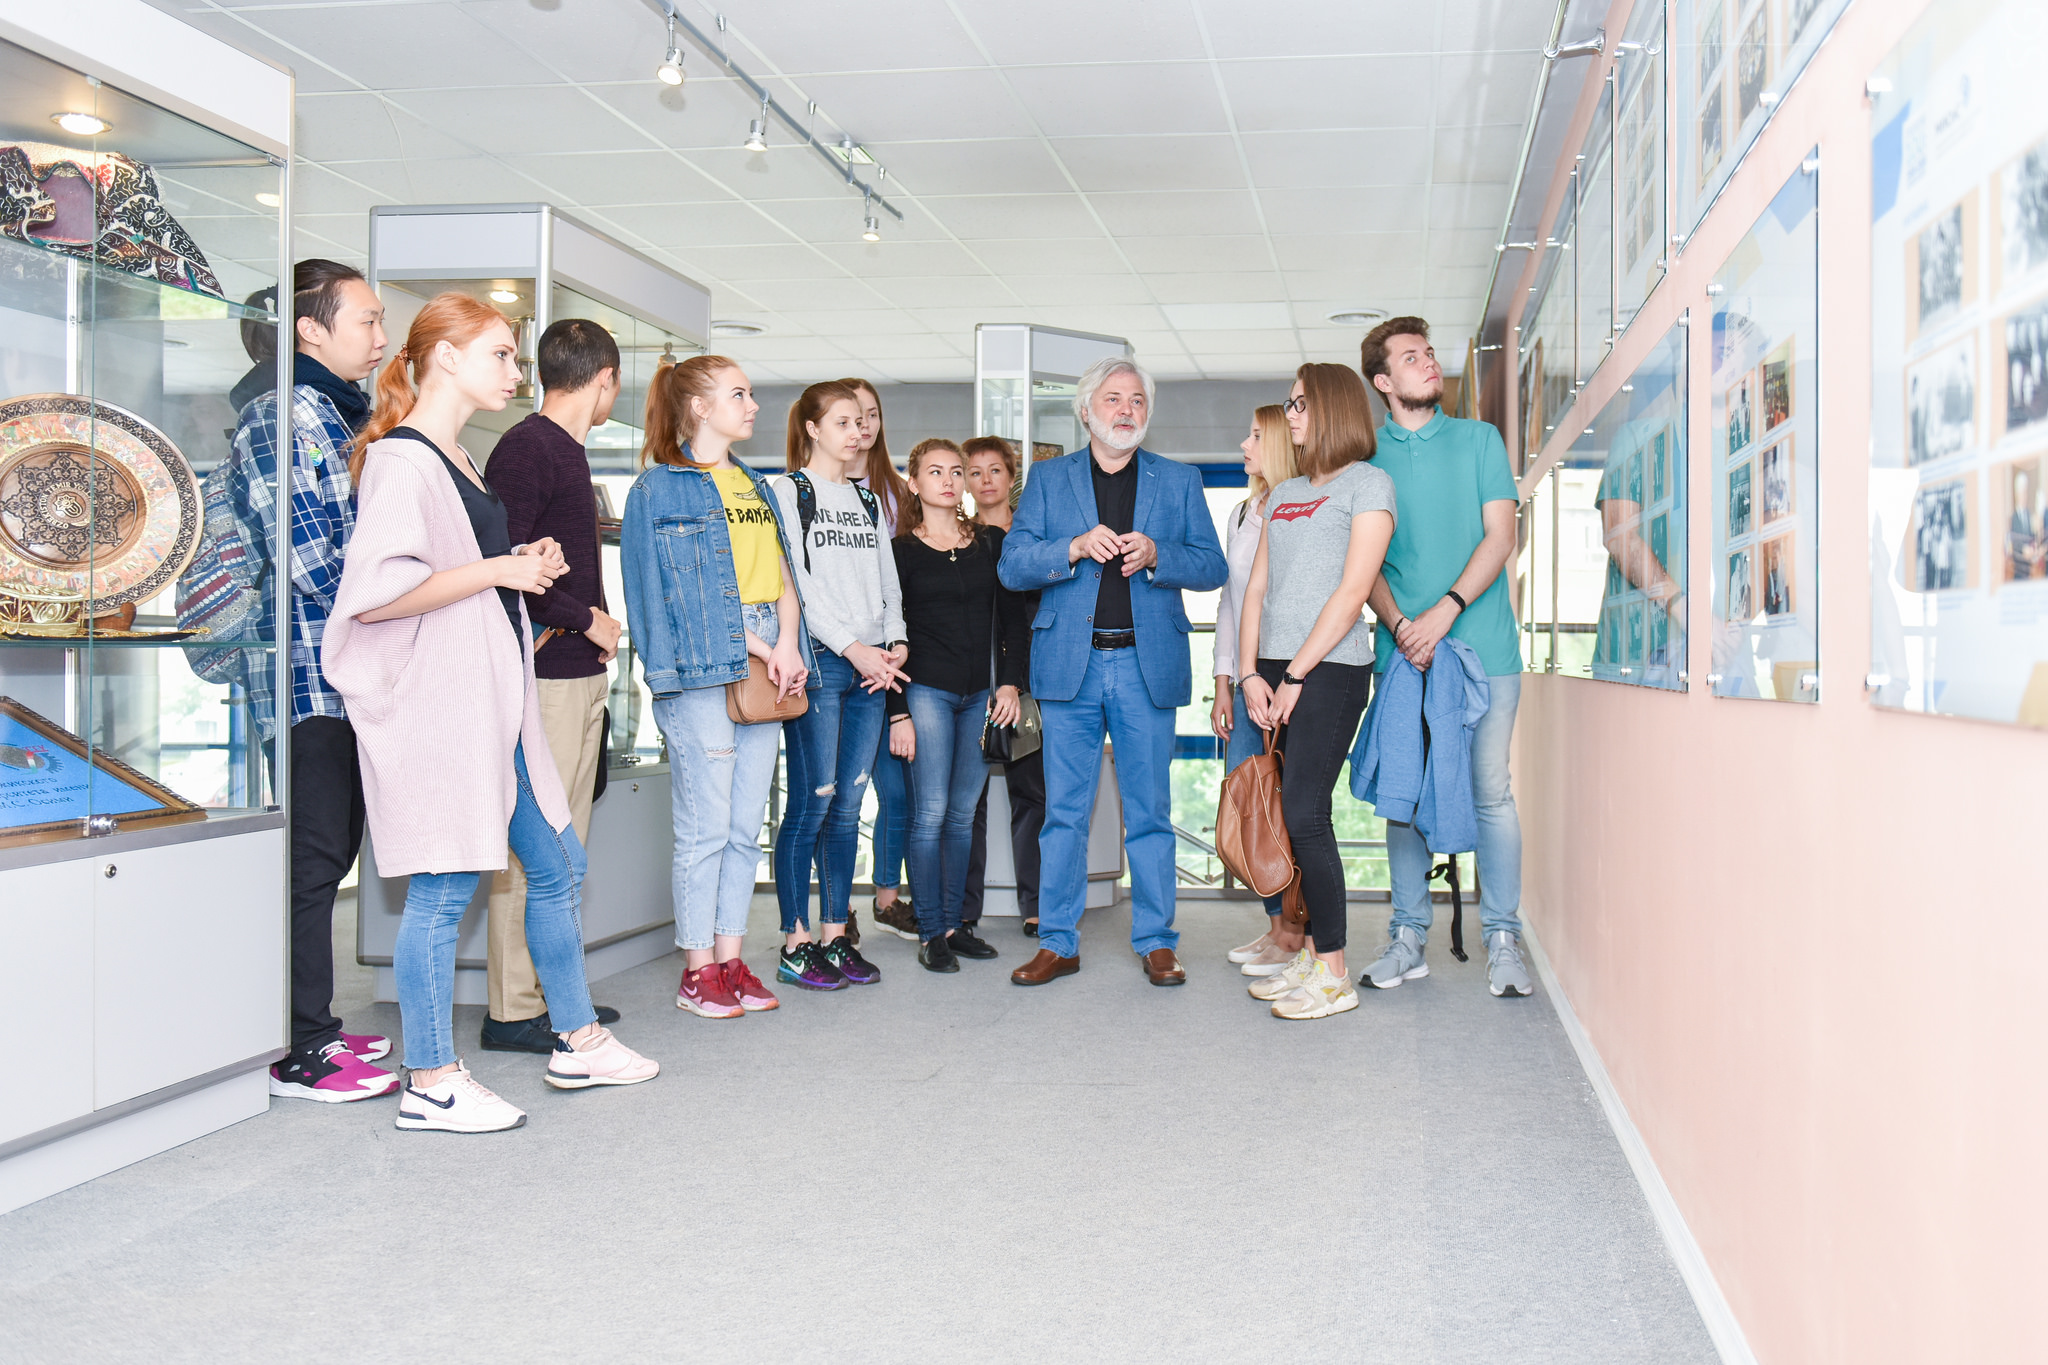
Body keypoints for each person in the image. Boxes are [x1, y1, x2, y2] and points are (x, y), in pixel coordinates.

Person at [324, 292, 658, 1134]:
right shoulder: (403, 460)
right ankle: (432, 1078)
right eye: (501, 354)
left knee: (559, 864)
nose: (516, 370)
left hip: (491, 700)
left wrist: (516, 560)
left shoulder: (459, 458)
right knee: (444, 891)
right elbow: (377, 595)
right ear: (445, 357)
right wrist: (499, 571)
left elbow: (454, 568)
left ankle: (577, 1037)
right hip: (444, 705)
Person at [998, 357, 1228, 988]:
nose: (1126, 410)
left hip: (1144, 665)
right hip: (1068, 667)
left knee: (1150, 812)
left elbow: (1212, 567)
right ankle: (1057, 941)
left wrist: (1158, 554)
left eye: (1137, 400)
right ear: (1086, 410)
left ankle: (1157, 941)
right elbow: (1013, 566)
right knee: (1063, 814)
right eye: (1113, 399)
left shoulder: (1179, 480)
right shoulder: (1048, 480)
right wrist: (1071, 548)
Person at [234, 259, 399, 1105]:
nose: (381, 337)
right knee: (312, 860)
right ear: (310, 328)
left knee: (334, 855)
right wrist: (418, 593)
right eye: (366, 320)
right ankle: (297, 1046)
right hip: (309, 678)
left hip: (356, 677)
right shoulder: (280, 415)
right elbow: (313, 562)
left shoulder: (347, 415)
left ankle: (315, 1022)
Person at [622, 355, 811, 1020]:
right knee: (704, 829)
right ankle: (697, 969)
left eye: (750, 394)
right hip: (700, 665)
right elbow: (663, 597)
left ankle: (731, 960)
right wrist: (760, 646)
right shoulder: (657, 490)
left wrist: (787, 642)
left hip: (768, 653)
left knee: (743, 827)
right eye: (738, 394)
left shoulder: (756, 483)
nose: (752, 405)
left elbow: (783, 576)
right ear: (699, 407)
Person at [1356, 316, 1531, 999]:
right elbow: (1362, 562)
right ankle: (1407, 938)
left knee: (1490, 793)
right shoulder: (1365, 457)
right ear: (1383, 380)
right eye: (1410, 357)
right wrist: (1403, 625)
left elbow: (1501, 536)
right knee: (1404, 794)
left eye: (1429, 352)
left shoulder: (1479, 439)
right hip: (1404, 655)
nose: (1428, 362)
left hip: (1485, 650)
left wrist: (1443, 612)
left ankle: (1503, 938)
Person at [478, 319, 628, 1051]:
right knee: (536, 848)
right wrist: (588, 618)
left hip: (577, 668)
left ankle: (555, 995)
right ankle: (513, 1009)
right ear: (606, 380)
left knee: (565, 845)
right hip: (546, 671)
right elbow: (503, 567)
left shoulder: (564, 449)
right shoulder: (529, 447)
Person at [1237, 365, 1397, 1020]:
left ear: (1331, 408)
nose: (1291, 415)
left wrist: (1297, 675)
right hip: (1273, 669)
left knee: (1305, 811)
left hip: (1330, 668)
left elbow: (1354, 590)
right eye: (1289, 403)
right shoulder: (1284, 493)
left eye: (1300, 404)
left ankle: (1333, 971)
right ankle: (1307, 953)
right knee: (1285, 815)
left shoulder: (1369, 483)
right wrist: (1249, 672)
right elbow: (1256, 588)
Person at [765, 382, 902, 990]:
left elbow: (887, 580)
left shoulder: (867, 498)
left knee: (849, 805)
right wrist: (854, 647)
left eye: (861, 422)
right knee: (812, 802)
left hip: (874, 666)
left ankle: (834, 936)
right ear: (813, 429)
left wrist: (896, 641)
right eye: (842, 422)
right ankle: (795, 944)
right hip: (824, 662)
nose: (857, 431)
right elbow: (796, 584)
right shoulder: (787, 492)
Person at [888, 438, 1029, 972]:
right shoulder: (899, 552)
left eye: (955, 471)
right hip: (925, 690)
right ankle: (930, 932)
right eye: (935, 472)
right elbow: (888, 636)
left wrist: (1010, 685)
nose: (948, 481)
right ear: (914, 482)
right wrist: (898, 712)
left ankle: (953, 925)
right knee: (929, 814)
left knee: (962, 814)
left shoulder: (991, 543)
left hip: (982, 696)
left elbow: (1013, 622)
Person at [1214, 405, 1298, 973]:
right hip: (1246, 679)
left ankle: (1298, 930)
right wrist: (1224, 681)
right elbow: (1230, 602)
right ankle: (1277, 928)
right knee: (1254, 804)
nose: (1245, 445)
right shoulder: (1242, 513)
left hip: (1293, 675)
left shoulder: (1305, 507)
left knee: (1293, 808)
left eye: (1255, 436)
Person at [839, 376, 919, 943]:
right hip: (838, 655)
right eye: (851, 416)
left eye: (871, 414)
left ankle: (887, 898)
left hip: (893, 658)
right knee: (838, 797)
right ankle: (836, 906)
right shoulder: (814, 488)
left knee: (897, 792)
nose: (863, 426)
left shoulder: (897, 493)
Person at [961, 435, 1045, 937]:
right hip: (975, 676)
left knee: (1031, 792)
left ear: (1011, 477)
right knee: (967, 800)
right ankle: (964, 909)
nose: (986, 480)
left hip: (1030, 676)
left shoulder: (1033, 535)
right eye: (975, 472)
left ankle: (1035, 903)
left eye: (995, 470)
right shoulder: (958, 538)